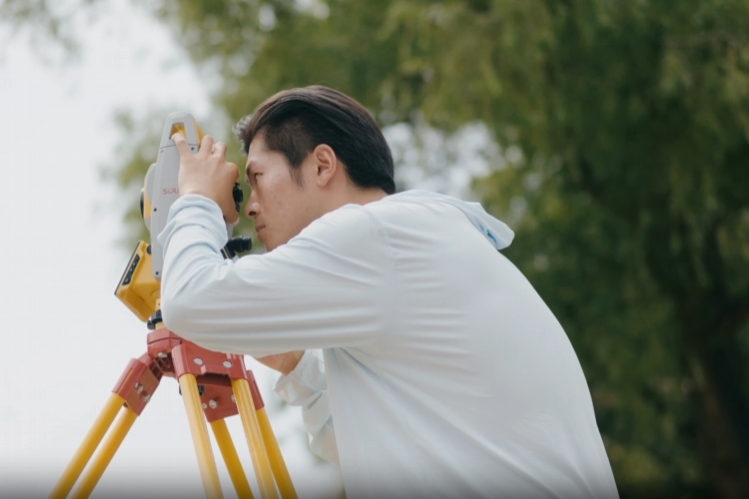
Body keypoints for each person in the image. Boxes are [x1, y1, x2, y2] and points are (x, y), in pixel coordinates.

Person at [158, 86, 619, 498]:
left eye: (256, 178)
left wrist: (196, 200)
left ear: (322, 165)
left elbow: (190, 300)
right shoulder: (417, 242)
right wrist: (296, 365)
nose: (250, 207)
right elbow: (370, 444)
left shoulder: (375, 235)